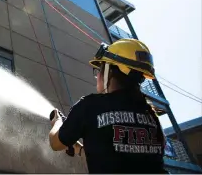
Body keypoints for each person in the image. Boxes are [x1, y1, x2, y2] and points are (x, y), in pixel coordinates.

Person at [48, 39, 167, 174]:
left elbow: (55, 143)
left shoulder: (90, 106)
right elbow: (114, 157)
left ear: (109, 71)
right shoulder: (152, 116)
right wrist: (77, 148)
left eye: (99, 69)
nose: (97, 75)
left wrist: (57, 121)